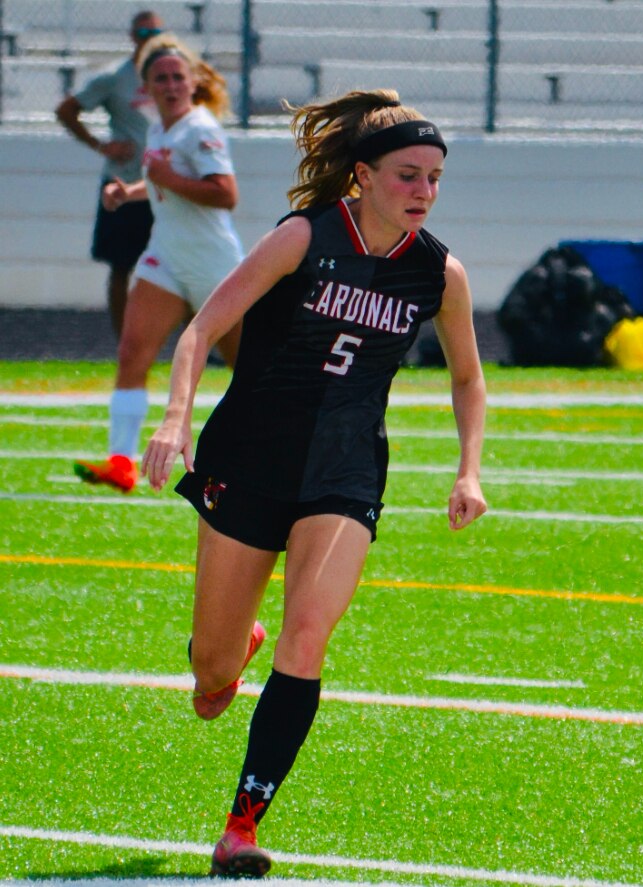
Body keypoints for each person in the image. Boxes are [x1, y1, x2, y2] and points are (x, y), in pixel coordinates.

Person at [141, 88, 487, 878]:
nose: (424, 192)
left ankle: (241, 824)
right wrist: (174, 419)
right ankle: (229, 649)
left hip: (345, 471)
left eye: (435, 178)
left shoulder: (439, 273)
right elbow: (202, 327)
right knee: (211, 677)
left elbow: (468, 377)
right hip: (250, 458)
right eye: (408, 175)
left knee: (307, 635)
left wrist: (469, 468)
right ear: (362, 175)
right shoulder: (303, 236)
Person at [73, 34, 244, 493]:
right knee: (132, 353)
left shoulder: (200, 129)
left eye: (176, 77)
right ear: (145, 88)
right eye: (160, 78)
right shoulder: (158, 129)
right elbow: (160, 183)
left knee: (249, 371)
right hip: (165, 257)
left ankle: (266, 460)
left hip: (213, 265)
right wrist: (128, 193)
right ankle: (121, 464)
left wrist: (167, 178)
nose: (170, 85)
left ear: (192, 82)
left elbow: (225, 194)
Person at [55, 10, 164, 336]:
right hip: (124, 182)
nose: (149, 40)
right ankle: (123, 342)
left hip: (165, 186)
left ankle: (195, 339)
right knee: (121, 266)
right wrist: (101, 146)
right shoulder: (115, 77)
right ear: (132, 37)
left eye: (155, 34)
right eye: (143, 34)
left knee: (180, 264)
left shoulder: (171, 76)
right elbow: (66, 110)